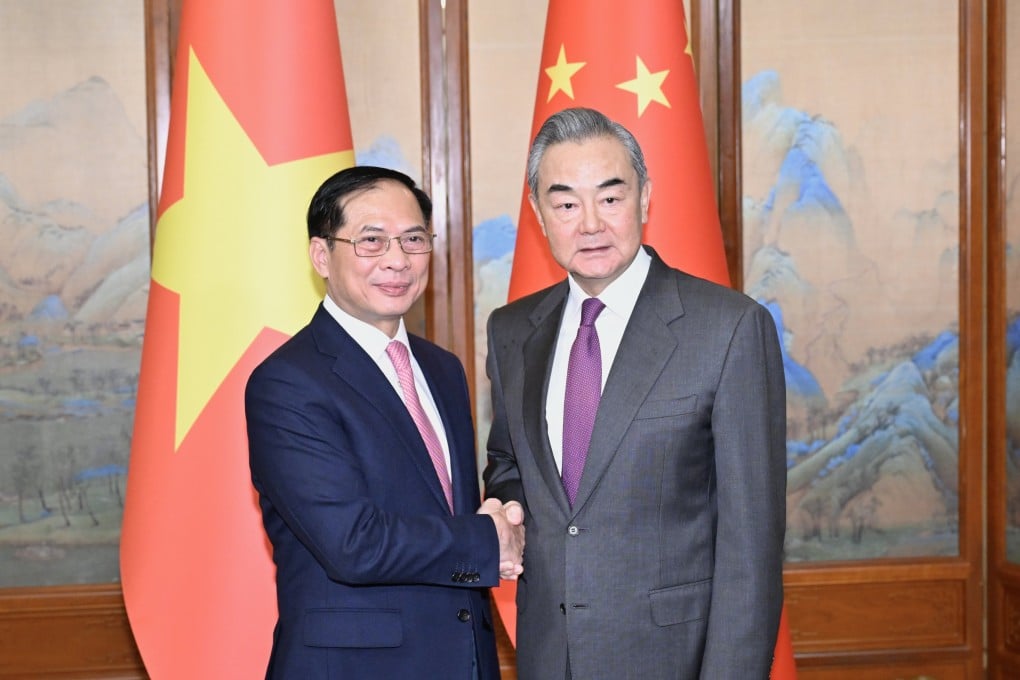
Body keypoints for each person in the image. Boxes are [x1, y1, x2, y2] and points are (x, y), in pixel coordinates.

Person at [483, 107, 786, 679]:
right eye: (566, 203)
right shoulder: (511, 330)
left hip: (674, 659)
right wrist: (509, 505)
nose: (590, 223)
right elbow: (508, 460)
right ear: (539, 214)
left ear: (645, 198)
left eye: (611, 198)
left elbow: (753, 543)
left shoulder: (728, 328)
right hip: (550, 655)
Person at [246, 165, 524, 680]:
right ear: (321, 255)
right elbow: (352, 544)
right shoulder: (287, 382)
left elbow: (447, 507)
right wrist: (488, 540)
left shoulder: (443, 369)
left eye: (413, 239)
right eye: (371, 241)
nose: (397, 259)